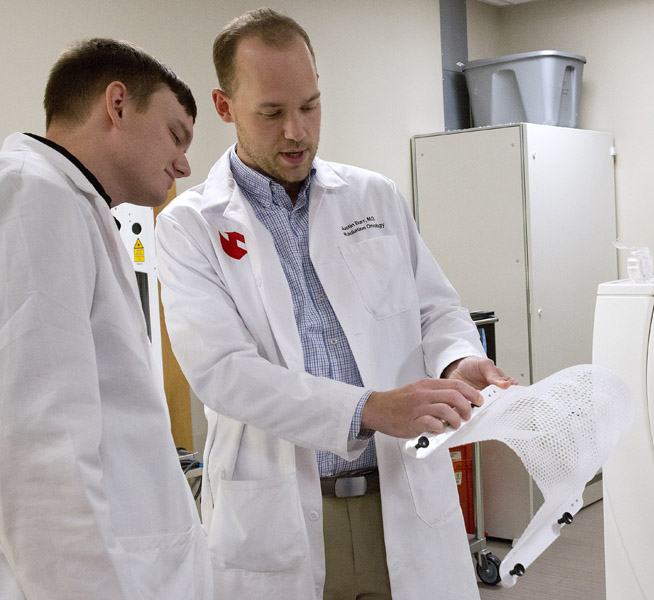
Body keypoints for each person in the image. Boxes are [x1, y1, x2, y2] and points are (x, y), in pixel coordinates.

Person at [155, 8, 515, 600]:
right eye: (271, 112)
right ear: (225, 107)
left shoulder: (374, 197)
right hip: (280, 521)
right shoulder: (189, 227)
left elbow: (436, 309)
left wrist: (456, 360)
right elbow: (224, 374)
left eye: (310, 106)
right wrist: (370, 409)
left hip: (399, 497)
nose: (296, 131)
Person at [0, 39, 212, 599]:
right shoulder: (34, 195)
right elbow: (43, 449)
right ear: (116, 105)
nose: (183, 163)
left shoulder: (76, 205)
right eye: (176, 134)